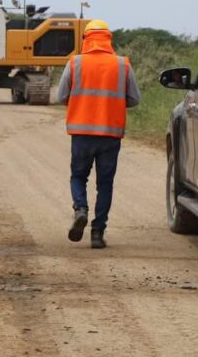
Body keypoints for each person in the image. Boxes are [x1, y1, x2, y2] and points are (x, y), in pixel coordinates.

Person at [57, 20, 141, 248]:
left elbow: (61, 96)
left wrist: (79, 103)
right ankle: (97, 233)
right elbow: (134, 99)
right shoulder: (122, 65)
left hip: (81, 133)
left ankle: (80, 209)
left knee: (78, 176)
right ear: (108, 39)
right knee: (105, 184)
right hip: (110, 134)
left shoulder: (75, 63)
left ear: (86, 39)